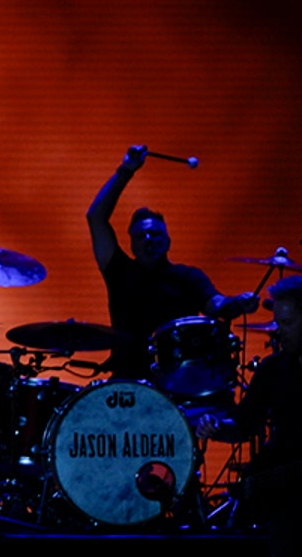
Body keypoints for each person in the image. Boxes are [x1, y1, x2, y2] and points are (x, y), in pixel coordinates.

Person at [197, 276, 302, 557]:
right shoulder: (275, 369)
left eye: (289, 323)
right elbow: (245, 423)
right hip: (289, 492)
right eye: (277, 323)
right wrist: (214, 426)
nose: (278, 331)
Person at [87, 145, 256, 380]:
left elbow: (217, 305)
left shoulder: (189, 277)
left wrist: (239, 302)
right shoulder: (119, 271)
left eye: (155, 234)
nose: (148, 240)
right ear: (132, 245)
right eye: (141, 236)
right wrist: (126, 170)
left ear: (168, 241)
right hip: (127, 383)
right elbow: (95, 217)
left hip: (178, 381)